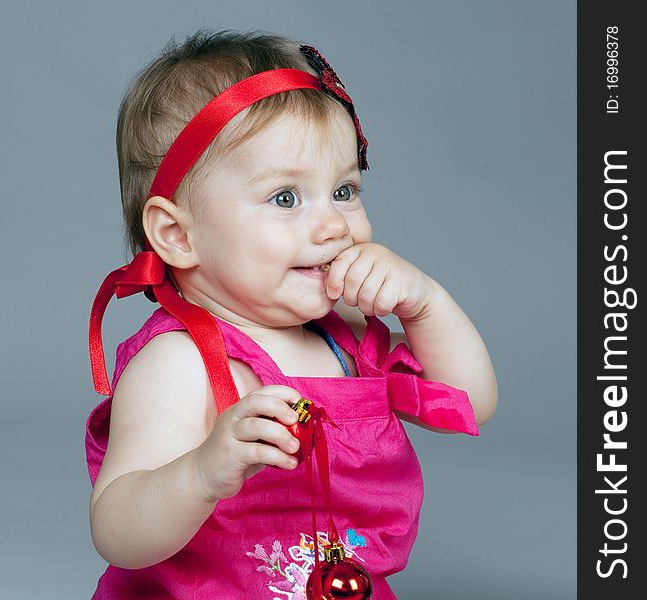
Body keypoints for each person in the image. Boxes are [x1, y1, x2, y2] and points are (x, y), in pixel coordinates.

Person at [85, 29, 498, 599]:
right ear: (178, 235)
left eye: (346, 190)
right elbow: (117, 531)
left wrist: (426, 306)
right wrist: (202, 473)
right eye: (286, 198)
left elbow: (471, 404)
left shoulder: (348, 339)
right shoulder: (179, 364)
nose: (334, 225)